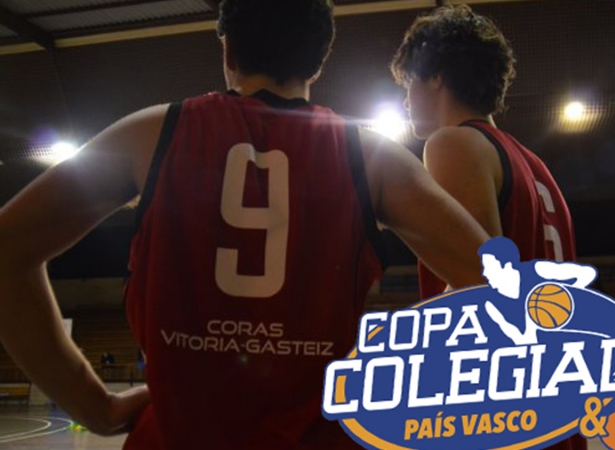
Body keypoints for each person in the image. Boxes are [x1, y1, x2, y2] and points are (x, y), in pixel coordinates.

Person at [0, 1, 491, 448]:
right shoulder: (371, 157)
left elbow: (7, 248)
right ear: (319, 59)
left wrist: (93, 405)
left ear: (228, 49)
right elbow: (497, 284)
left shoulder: (150, 133)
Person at [391, 6, 584, 449]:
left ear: (435, 76)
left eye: (409, 82)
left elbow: (479, 294)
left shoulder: (453, 143)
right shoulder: (536, 167)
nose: (405, 100)